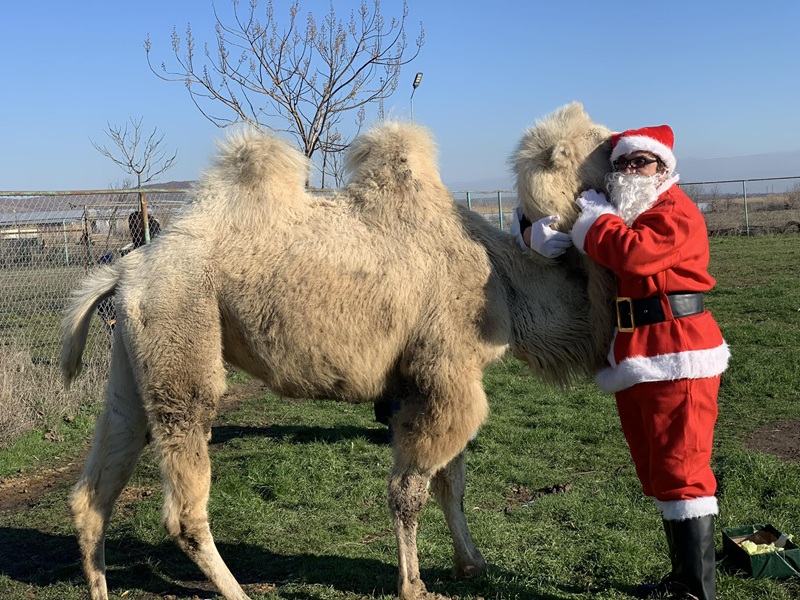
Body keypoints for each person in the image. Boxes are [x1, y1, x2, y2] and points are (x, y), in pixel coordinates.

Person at [513, 125, 730, 600]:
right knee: (657, 470)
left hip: (679, 353)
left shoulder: (674, 212)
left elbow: (632, 254)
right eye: (623, 163)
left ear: (663, 169)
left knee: (681, 469)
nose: (630, 171)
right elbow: (578, 233)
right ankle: (682, 581)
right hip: (638, 355)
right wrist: (530, 231)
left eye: (641, 163)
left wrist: (591, 217)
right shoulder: (624, 213)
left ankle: (697, 591)